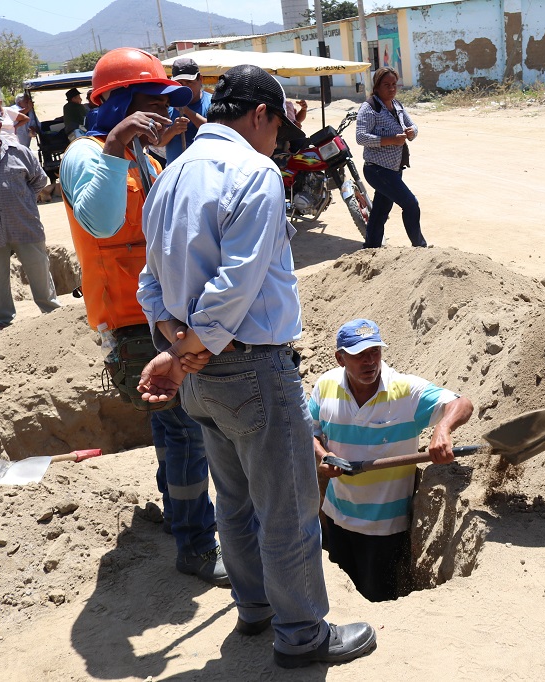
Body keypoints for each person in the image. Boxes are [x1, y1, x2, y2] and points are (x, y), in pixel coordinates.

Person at [136, 63, 376, 668]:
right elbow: (232, 289)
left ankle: (255, 608)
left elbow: (151, 283)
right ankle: (302, 636)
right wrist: (186, 350)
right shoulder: (253, 172)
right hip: (253, 371)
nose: (278, 145)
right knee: (289, 508)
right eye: (278, 130)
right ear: (261, 115)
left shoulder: (169, 178)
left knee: (235, 500)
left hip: (204, 381)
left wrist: (175, 351)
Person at [59, 48, 226, 587]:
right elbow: (105, 224)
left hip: (158, 312)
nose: (159, 115)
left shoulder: (145, 157)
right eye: (150, 104)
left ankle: (180, 517)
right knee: (184, 431)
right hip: (133, 322)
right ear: (118, 104)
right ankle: (196, 544)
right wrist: (113, 146)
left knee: (171, 425)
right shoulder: (90, 156)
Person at [310, 319, 473, 602]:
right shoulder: (325, 386)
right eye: (359, 354)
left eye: (374, 351)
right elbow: (308, 431)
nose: (369, 361)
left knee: (375, 599)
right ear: (340, 358)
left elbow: (462, 404)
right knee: (339, 599)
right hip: (335, 517)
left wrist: (442, 429)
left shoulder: (405, 392)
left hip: (384, 529)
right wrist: (324, 456)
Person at [0, 101, 60, 334]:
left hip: (25, 225)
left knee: (39, 271)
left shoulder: (19, 152)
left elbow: (39, 180)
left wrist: (22, 200)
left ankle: (52, 314)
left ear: (0, 124)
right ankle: (1, 322)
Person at [355, 66, 426, 249]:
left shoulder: (397, 106)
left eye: (394, 84)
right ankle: (420, 247)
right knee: (410, 204)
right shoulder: (370, 108)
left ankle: (370, 248)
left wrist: (412, 132)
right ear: (377, 86)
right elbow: (361, 137)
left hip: (394, 168)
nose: (392, 88)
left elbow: (413, 126)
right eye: (386, 84)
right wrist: (390, 140)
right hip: (377, 169)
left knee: (380, 210)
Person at [160, 58, 210, 164]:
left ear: (200, 79)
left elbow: (215, 132)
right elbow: (158, 142)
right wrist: (173, 130)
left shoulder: (213, 103)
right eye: (180, 83)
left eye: (189, 82)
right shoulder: (166, 106)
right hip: (177, 174)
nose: (185, 87)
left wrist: (187, 111)